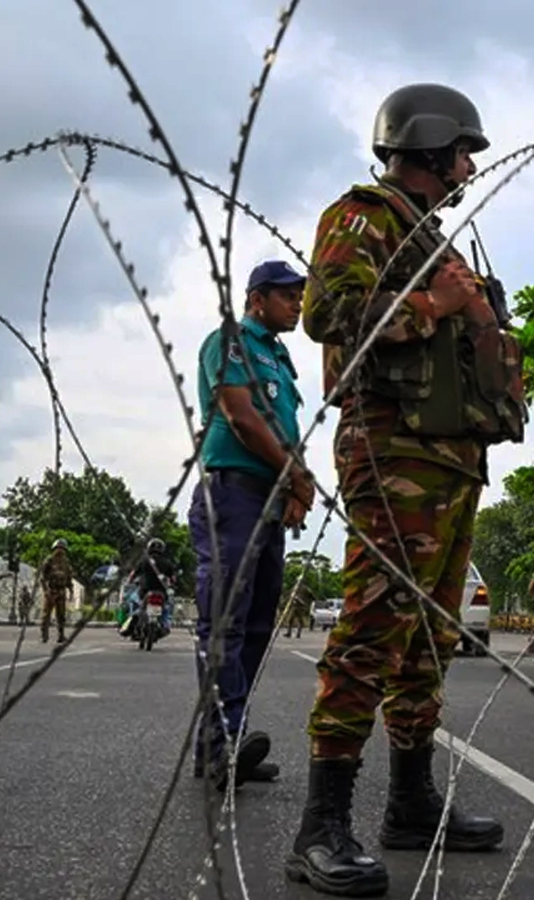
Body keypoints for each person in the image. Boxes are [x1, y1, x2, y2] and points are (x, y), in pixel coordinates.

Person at [287, 83, 525, 896]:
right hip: (392, 452)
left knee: (429, 639)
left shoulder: (430, 233)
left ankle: (412, 804)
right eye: (461, 150)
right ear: (424, 145)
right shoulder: (365, 215)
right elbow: (329, 313)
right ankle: (320, 825)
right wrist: (435, 302)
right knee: (374, 627)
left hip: (449, 457)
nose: (467, 166)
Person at [188, 259, 316, 792]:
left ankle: (217, 747)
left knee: (258, 628)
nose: (298, 305)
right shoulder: (234, 340)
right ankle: (225, 745)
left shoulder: (282, 360)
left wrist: (292, 486)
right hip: (233, 495)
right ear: (258, 298)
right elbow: (241, 415)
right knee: (226, 624)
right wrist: (295, 473)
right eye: (289, 296)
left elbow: (282, 425)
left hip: (268, 499)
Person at [39, 540, 74, 644]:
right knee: (46, 615)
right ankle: (44, 636)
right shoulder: (49, 560)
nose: (60, 550)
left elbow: (69, 578)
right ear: (54, 549)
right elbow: (42, 578)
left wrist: (71, 590)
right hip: (51, 591)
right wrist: (46, 591)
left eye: (62, 548)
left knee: (61, 615)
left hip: (61, 592)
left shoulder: (66, 563)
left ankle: (61, 635)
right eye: (58, 548)